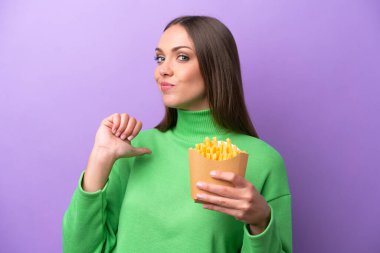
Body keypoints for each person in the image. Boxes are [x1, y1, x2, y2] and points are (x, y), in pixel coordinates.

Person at [62, 15, 292, 253]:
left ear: (216, 65)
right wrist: (100, 158)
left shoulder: (262, 161)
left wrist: (261, 223)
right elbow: (79, 249)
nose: (163, 69)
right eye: (159, 58)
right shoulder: (134, 149)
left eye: (182, 57)